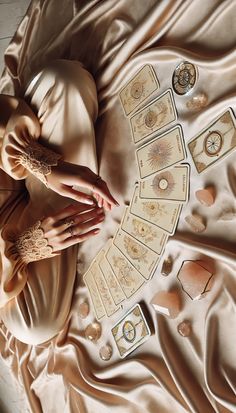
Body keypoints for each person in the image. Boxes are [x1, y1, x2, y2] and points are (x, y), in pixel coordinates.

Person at [0, 59, 118, 345]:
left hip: (9, 156)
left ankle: (59, 190)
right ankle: (58, 208)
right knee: (32, 326)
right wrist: (24, 248)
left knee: (66, 81)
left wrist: (38, 161)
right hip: (8, 245)